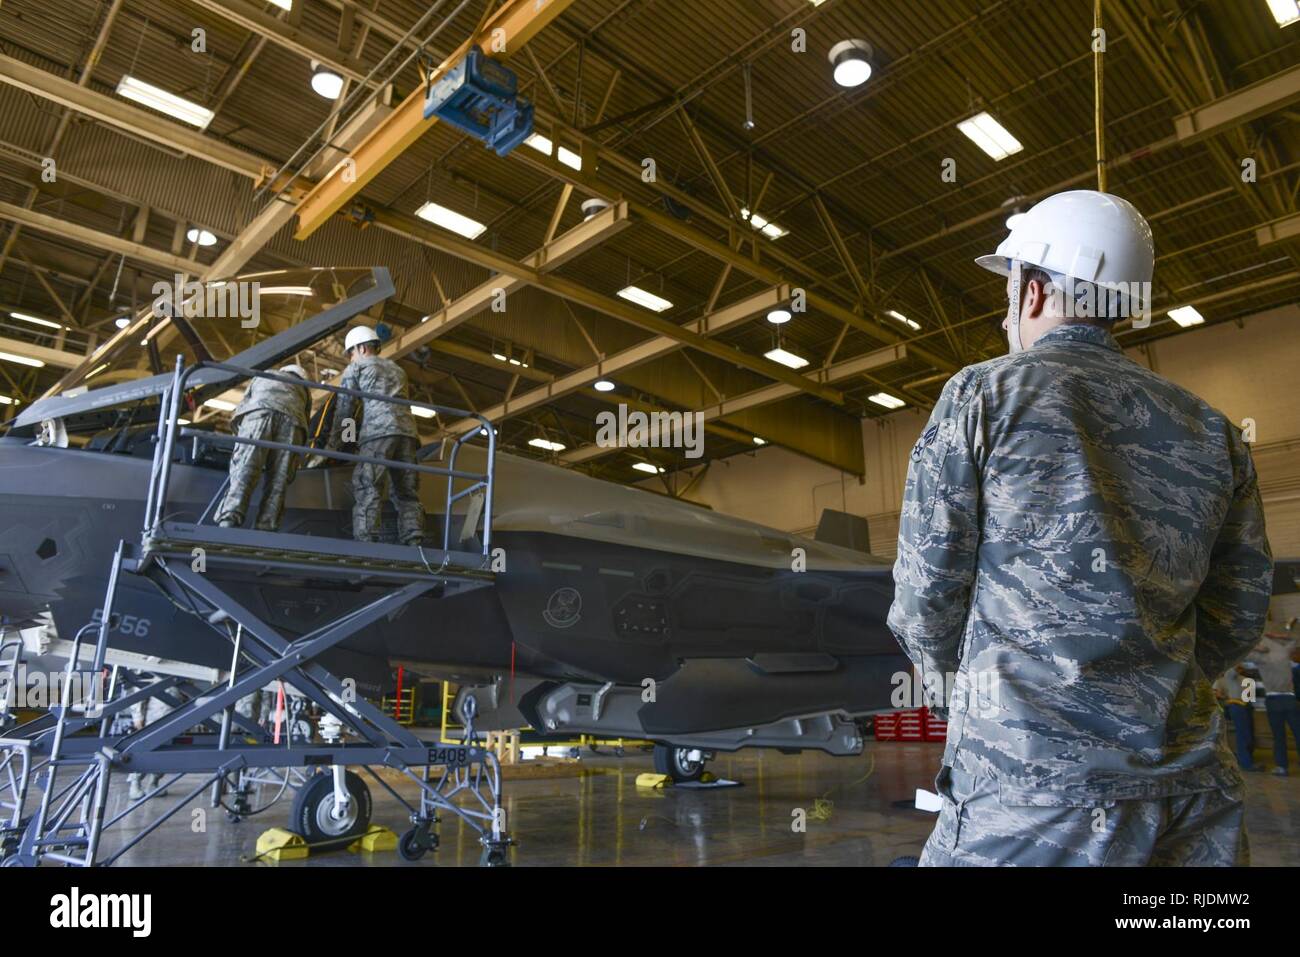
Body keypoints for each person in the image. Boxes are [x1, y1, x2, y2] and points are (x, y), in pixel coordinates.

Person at [888, 190, 1273, 867]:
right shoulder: (1213, 430)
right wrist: (1146, 687)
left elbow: (927, 599)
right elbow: (1238, 613)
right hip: (1191, 793)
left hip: (1035, 791)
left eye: (1008, 291)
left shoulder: (983, 396)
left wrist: (984, 703)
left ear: (1031, 291)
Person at [326, 326, 424, 545]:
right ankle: (413, 539)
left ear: (360, 348)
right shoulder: (397, 369)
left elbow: (346, 409)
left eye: (351, 353)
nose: (351, 359)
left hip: (378, 432)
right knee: (407, 491)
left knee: (367, 485)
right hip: (408, 433)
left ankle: (366, 544)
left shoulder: (357, 368)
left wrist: (336, 444)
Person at [215, 364, 312, 531]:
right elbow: (306, 423)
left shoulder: (266, 374)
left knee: (246, 468)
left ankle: (229, 519)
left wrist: (242, 441)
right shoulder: (305, 392)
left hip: (259, 413)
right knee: (279, 478)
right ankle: (266, 526)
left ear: (284, 371)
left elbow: (243, 407)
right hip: (293, 423)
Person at [1251, 632, 1300, 775]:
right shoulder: (1283, 651)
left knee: (1279, 736)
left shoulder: (1259, 657)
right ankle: (1282, 767)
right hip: (1290, 699)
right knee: (1298, 733)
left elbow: (1242, 653)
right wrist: (1279, 635)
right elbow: (1293, 639)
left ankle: (1282, 767)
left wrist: (1255, 647)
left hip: (1273, 700)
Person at [1214, 666, 1261, 772]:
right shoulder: (1224, 679)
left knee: (1249, 733)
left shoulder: (1247, 680)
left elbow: (1250, 698)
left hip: (1245, 706)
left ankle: (1245, 758)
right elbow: (1216, 694)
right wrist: (1223, 696)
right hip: (1233, 706)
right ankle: (1246, 763)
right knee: (1243, 733)